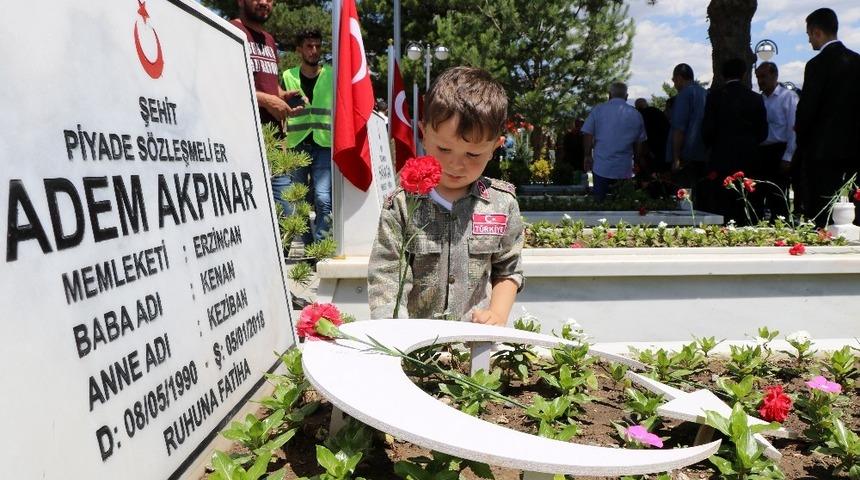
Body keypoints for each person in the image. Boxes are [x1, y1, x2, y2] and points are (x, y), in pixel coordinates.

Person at [368, 67, 524, 325]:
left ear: (495, 147)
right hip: (413, 343)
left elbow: (508, 269)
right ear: (424, 134)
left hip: (472, 343)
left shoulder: (501, 204)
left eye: (473, 155)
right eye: (444, 148)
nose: (456, 164)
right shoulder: (403, 204)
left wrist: (496, 315)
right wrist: (394, 332)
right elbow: (386, 273)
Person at [795, 7, 860, 226]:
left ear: (816, 32)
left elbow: (807, 110)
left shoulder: (816, 65)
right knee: (853, 206)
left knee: (823, 210)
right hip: (855, 149)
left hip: (823, 151)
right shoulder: (857, 61)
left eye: (808, 35)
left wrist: (802, 141)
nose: (809, 42)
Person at [278, 28, 333, 245]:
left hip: (324, 144)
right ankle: (309, 246)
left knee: (322, 198)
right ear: (299, 49)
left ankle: (321, 247)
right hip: (296, 144)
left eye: (318, 46)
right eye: (309, 46)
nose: (314, 50)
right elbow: (279, 110)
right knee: (298, 199)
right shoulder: (287, 76)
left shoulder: (331, 75)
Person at [702, 58, 768, 224]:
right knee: (747, 198)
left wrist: (712, 146)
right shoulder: (755, 99)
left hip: (721, 155)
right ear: (744, 73)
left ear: (722, 75)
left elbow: (707, 129)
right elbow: (763, 132)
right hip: (749, 156)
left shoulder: (714, 98)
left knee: (723, 200)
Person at [230, 0, 302, 130]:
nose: (264, 2)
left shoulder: (269, 40)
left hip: (272, 134)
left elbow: (271, 83)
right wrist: (265, 100)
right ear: (240, 2)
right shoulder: (230, 31)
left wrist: (283, 95)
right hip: (242, 130)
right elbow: (223, 84)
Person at [582, 82, 646, 200]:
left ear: (609, 95)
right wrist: (636, 160)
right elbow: (639, 142)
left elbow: (588, 133)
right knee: (623, 205)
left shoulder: (598, 110)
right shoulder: (635, 114)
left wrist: (587, 155)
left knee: (599, 205)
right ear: (626, 96)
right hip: (625, 168)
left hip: (601, 166)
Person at [754, 62, 799, 220]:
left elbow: (793, 128)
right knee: (758, 194)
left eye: (764, 76)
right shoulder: (759, 100)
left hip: (779, 150)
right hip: (761, 152)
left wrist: (788, 157)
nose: (760, 81)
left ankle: (780, 228)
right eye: (758, 77)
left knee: (777, 195)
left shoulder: (788, 97)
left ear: (775, 75)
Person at [667, 64, 708, 197]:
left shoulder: (684, 95)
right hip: (704, 154)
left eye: (674, 80)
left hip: (687, 156)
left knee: (685, 198)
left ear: (679, 78)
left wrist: (676, 158)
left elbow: (679, 128)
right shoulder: (705, 93)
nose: (674, 84)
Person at [635, 98, 671, 180]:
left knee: (655, 175)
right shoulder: (657, 112)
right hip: (666, 147)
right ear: (646, 104)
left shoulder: (640, 116)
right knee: (667, 175)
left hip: (651, 150)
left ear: (637, 107)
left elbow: (642, 137)